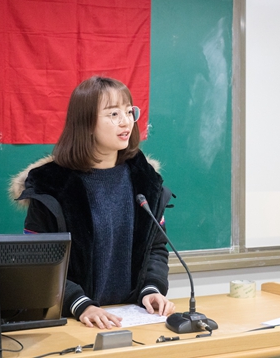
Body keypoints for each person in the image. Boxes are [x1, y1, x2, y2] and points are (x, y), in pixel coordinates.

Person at [9, 76, 175, 329]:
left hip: (132, 318)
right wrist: (81, 304)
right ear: (86, 123)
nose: (126, 121)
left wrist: (151, 288)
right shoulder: (51, 185)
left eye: (129, 111)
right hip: (73, 320)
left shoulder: (145, 180)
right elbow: (39, 261)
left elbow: (156, 247)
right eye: (114, 114)